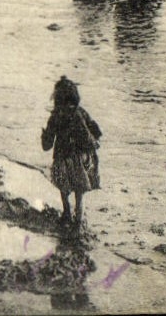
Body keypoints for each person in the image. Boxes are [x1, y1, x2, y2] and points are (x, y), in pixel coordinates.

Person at [41, 76, 102, 231]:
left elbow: (46, 144)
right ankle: (78, 220)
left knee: (64, 189)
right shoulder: (79, 113)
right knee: (79, 193)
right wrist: (95, 143)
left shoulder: (55, 116)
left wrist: (44, 135)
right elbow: (94, 133)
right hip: (78, 160)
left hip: (62, 159)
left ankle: (67, 213)